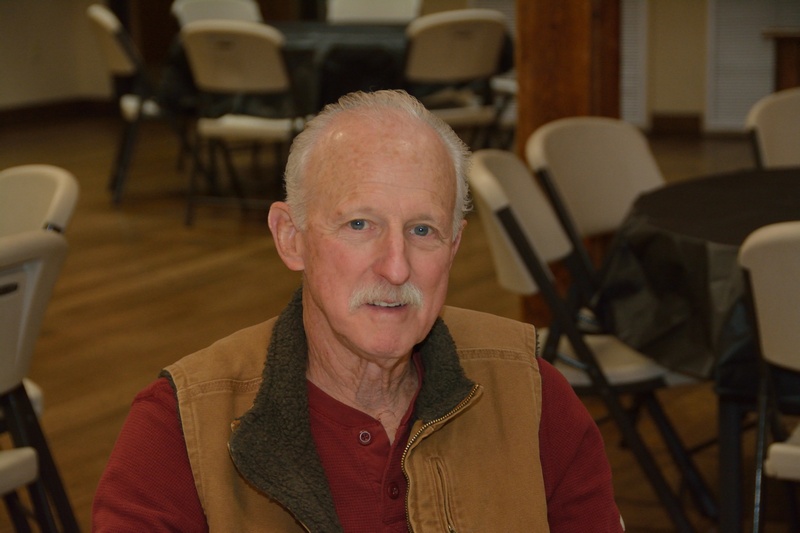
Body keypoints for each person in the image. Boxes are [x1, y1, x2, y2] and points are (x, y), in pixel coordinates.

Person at [92, 90, 624, 532]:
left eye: (423, 230)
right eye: (359, 225)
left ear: (454, 246)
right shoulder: (180, 431)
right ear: (291, 237)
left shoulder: (531, 397)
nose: (396, 267)